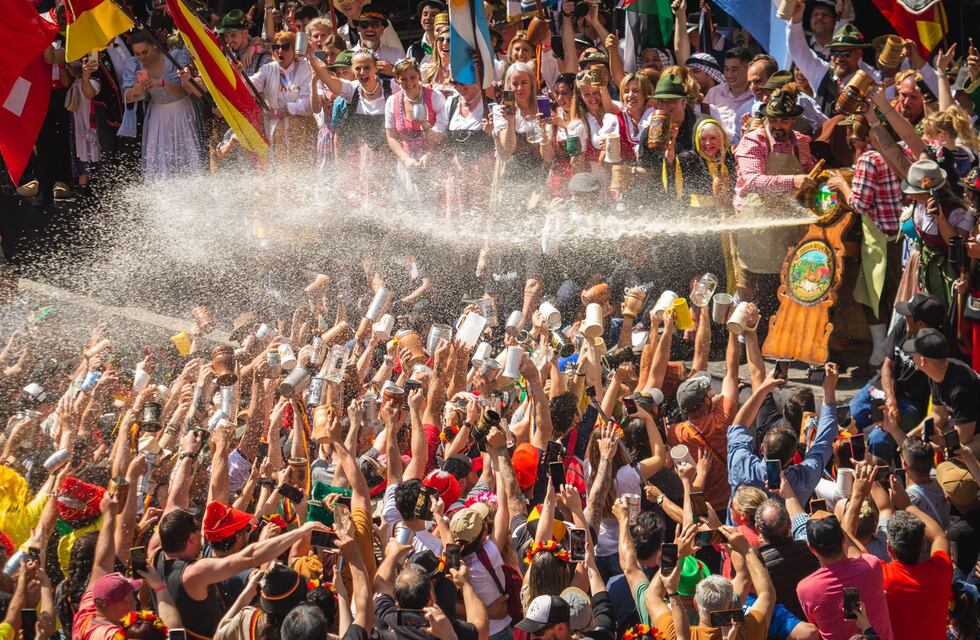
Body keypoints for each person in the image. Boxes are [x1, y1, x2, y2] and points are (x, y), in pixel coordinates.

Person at [732, 86, 816, 305]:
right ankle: (748, 337)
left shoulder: (802, 143)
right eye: (773, 120)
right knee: (756, 292)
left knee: (787, 290)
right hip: (758, 226)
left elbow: (809, 171)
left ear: (793, 121)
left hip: (789, 226)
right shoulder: (754, 142)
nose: (778, 126)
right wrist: (792, 181)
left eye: (784, 121)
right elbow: (752, 181)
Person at [728, 363, 840, 504]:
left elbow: (738, 426)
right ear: (793, 456)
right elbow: (825, 440)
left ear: (762, 448)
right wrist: (829, 389)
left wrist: (763, 388)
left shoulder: (742, 466)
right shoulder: (804, 477)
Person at [845, 294, 944, 432]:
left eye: (908, 315)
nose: (904, 317)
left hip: (910, 402)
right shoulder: (904, 326)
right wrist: (891, 400)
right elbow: (888, 365)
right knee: (849, 417)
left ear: (920, 324)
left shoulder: (936, 345)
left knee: (878, 439)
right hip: (884, 387)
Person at [796, 515, 895, 640]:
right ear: (843, 539)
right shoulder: (872, 565)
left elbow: (815, 623)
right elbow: (859, 555)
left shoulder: (806, 589)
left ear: (811, 548)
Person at [123, 31, 202, 182]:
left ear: (154, 46)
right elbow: (127, 96)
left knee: (185, 158)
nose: (141, 57)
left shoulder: (173, 58)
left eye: (145, 52)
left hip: (181, 111)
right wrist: (135, 91)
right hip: (158, 116)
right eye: (137, 53)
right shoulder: (134, 65)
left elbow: (184, 92)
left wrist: (161, 83)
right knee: (159, 162)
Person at [880, 502, 953, 640]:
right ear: (924, 545)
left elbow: (851, 550)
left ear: (889, 548)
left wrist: (857, 497)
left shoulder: (882, 576)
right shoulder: (941, 570)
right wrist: (909, 505)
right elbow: (939, 536)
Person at [904, 329, 980, 450]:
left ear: (923, 361)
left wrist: (927, 447)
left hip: (972, 434)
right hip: (965, 425)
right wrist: (909, 437)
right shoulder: (937, 372)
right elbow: (939, 414)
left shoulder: (960, 389)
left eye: (914, 353)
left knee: (962, 450)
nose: (911, 357)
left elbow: (964, 438)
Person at [384, 58, 447, 204]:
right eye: (403, 79)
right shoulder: (392, 101)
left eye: (412, 77)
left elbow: (442, 136)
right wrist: (405, 159)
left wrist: (424, 126)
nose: (409, 83)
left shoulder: (435, 97)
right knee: (406, 207)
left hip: (433, 159)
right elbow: (391, 136)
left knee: (430, 207)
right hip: (407, 160)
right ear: (397, 81)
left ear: (419, 76)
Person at [249, 31, 316, 166]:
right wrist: (238, 75)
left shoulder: (304, 67)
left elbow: (307, 103)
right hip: (276, 127)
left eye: (285, 47)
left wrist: (284, 110)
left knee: (303, 167)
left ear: (293, 49)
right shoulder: (268, 69)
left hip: (300, 127)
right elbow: (250, 86)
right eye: (276, 47)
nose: (280, 51)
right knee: (279, 168)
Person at [703, 46, 754, 136]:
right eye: (726, 69)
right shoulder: (714, 93)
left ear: (748, 69)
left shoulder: (756, 97)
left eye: (734, 69)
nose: (729, 75)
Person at [217, 9, 269, 76]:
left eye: (233, 35)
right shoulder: (224, 53)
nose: (229, 41)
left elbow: (276, 48)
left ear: (245, 33)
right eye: (226, 36)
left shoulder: (262, 59)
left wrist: (255, 48)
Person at [406, 0, 447, 66]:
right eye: (425, 14)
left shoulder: (449, 45)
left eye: (433, 15)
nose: (428, 18)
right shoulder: (413, 49)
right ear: (421, 19)